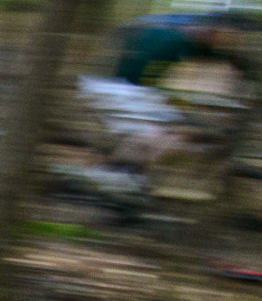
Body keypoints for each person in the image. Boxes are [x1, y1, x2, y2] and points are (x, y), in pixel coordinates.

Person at [76, 10, 257, 201]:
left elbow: (227, 60)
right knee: (164, 133)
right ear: (217, 30)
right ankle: (118, 179)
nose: (234, 42)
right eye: (234, 36)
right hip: (113, 89)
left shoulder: (192, 37)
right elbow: (138, 77)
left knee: (173, 131)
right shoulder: (173, 38)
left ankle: (121, 176)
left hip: (123, 90)